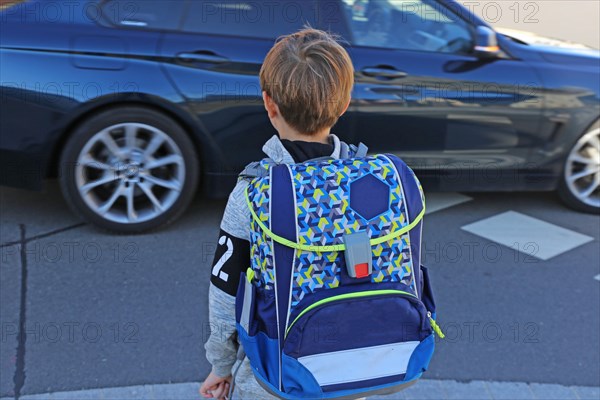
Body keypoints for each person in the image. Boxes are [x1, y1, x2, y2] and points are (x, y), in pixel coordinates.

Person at [199, 27, 355, 400]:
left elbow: (225, 296)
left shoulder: (254, 192)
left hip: (274, 379)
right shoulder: (372, 182)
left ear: (269, 105)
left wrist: (220, 367)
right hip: (353, 373)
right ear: (345, 103)